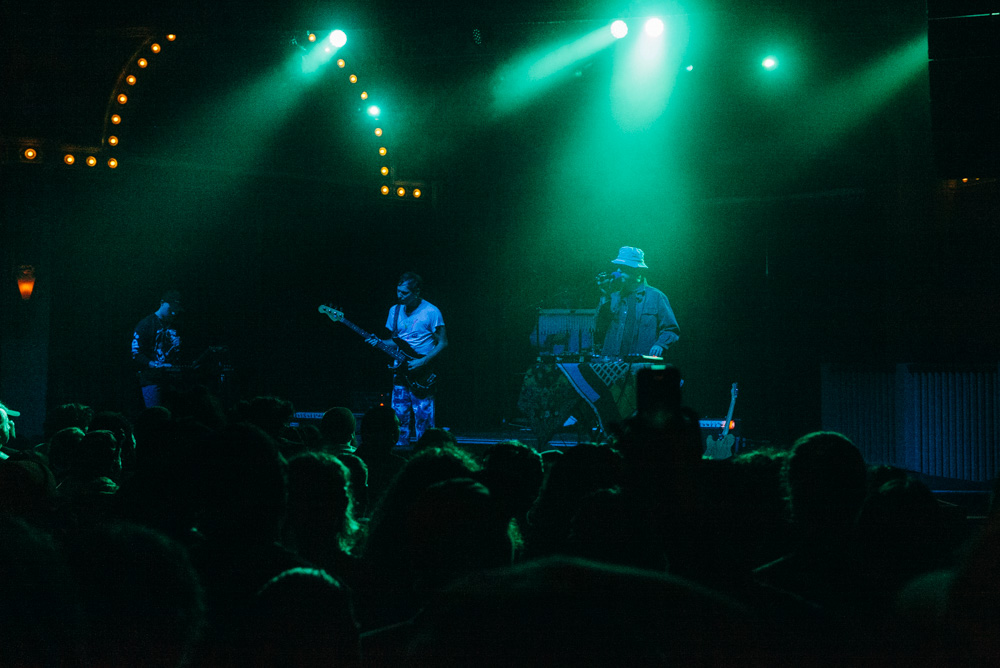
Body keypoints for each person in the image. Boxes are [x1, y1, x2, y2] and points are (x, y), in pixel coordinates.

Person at [367, 272, 447, 447]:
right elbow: (395, 341)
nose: (399, 296)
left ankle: (425, 454)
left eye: (404, 293)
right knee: (398, 418)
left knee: (424, 419)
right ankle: (399, 451)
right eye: (398, 291)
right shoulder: (394, 311)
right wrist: (379, 342)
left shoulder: (431, 312)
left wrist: (422, 361)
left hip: (422, 373)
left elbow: (443, 343)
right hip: (400, 372)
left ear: (416, 292)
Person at [594, 247, 679, 359]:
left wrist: (660, 344)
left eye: (624, 267)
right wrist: (605, 295)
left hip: (641, 361)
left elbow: (671, 329)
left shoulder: (656, 296)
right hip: (613, 360)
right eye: (619, 267)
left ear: (638, 271)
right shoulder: (614, 296)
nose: (618, 270)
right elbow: (599, 326)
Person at [131, 290, 184, 409]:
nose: (174, 312)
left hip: (174, 380)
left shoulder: (177, 325)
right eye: (171, 308)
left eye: (176, 309)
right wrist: (154, 364)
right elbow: (136, 353)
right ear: (162, 303)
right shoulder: (146, 324)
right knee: (157, 413)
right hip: (152, 380)